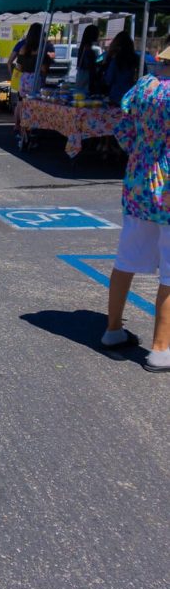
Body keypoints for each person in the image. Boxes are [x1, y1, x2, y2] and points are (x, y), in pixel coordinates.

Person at [101, 40, 170, 373]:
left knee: (126, 257)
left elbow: (122, 128)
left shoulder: (144, 84)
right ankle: (160, 349)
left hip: (138, 181)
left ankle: (113, 329)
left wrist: (141, 153)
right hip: (168, 184)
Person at [104, 31, 138, 106]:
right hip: (132, 98)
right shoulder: (137, 60)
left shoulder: (116, 60)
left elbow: (108, 80)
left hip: (116, 98)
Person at [74, 24, 100, 93]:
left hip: (81, 79)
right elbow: (91, 69)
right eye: (97, 33)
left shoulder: (82, 48)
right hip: (87, 82)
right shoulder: (89, 51)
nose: (98, 36)